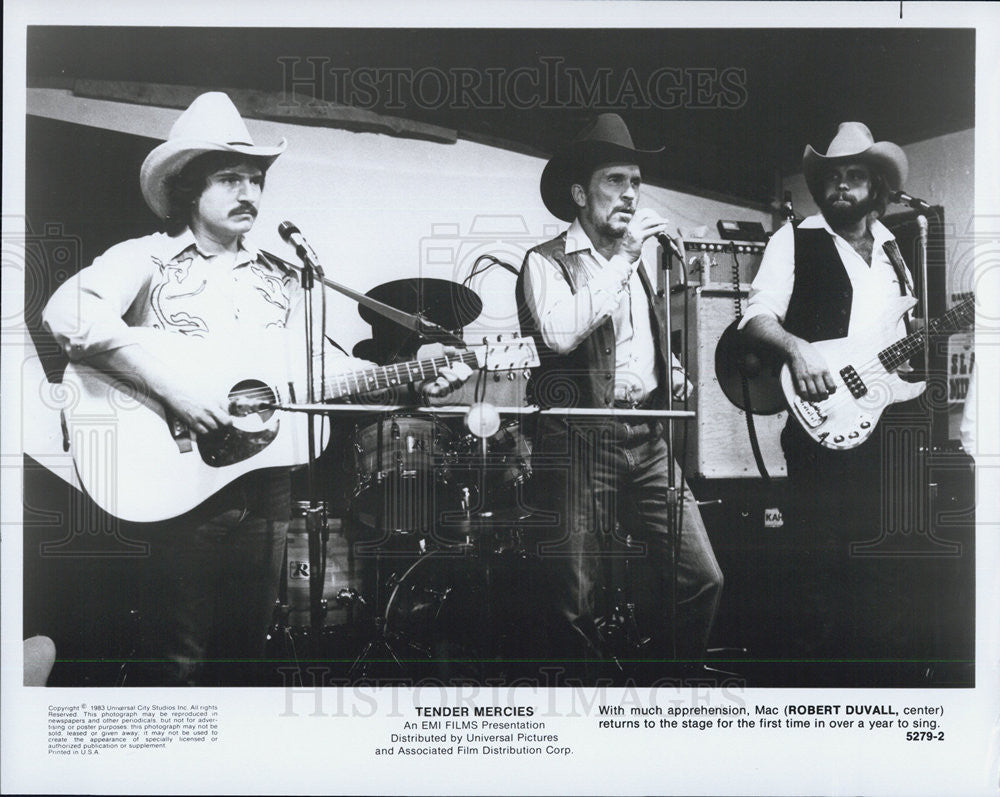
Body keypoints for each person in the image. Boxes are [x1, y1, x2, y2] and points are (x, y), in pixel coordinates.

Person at [42, 92, 470, 685]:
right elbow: (70, 315)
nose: (249, 192)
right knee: (176, 660)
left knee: (244, 658)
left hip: (265, 488)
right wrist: (179, 394)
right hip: (177, 487)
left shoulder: (283, 276)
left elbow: (321, 377)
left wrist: (418, 377)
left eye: (256, 179)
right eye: (229, 178)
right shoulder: (148, 259)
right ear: (190, 190)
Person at [516, 114, 723, 678]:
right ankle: (585, 719)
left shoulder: (637, 266)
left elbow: (635, 340)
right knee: (574, 600)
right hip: (578, 439)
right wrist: (625, 258)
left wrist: (671, 369)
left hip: (647, 438)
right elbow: (559, 333)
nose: (630, 194)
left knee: (702, 577)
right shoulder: (546, 261)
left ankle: (666, 693)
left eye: (635, 181)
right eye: (615, 181)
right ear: (580, 193)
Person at [738, 121, 924, 660]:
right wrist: (798, 349)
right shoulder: (793, 239)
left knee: (882, 565)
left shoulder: (894, 249)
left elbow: (897, 335)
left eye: (855, 176)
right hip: (822, 418)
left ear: (878, 189)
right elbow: (757, 318)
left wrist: (913, 352)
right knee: (817, 565)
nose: (842, 186)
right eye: (833, 177)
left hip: (886, 425)